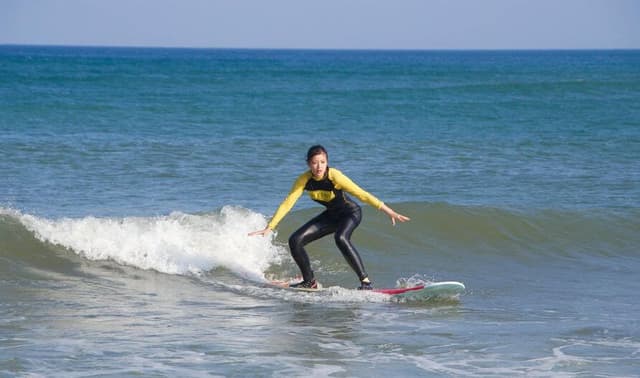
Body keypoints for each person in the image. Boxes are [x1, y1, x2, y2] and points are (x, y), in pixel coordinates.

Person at [249, 145, 410, 290]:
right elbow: (287, 203)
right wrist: (270, 226)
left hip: (350, 214)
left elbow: (362, 194)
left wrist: (388, 211)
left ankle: (365, 282)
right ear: (308, 164)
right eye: (314, 162)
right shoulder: (304, 180)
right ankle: (309, 281)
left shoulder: (335, 176)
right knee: (295, 240)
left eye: (322, 162)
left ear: (327, 162)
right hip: (331, 216)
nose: (319, 166)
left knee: (340, 238)